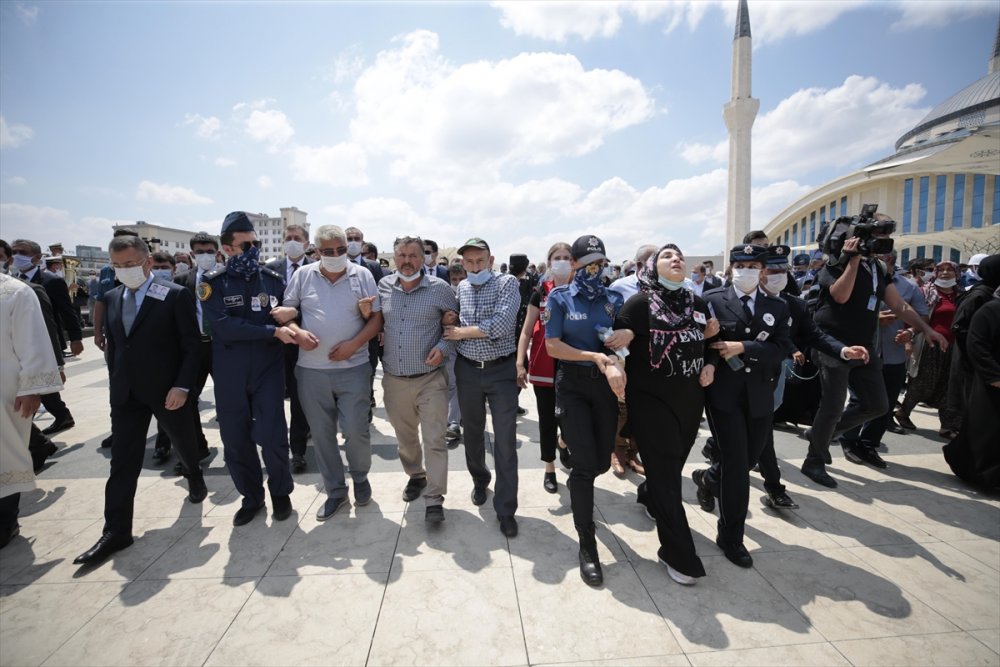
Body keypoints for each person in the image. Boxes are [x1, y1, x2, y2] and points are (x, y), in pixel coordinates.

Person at [73, 235, 208, 565]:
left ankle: (194, 474)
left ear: (147, 262)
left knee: (184, 442)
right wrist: (115, 383)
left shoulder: (174, 295)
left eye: (130, 264)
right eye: (117, 265)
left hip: (167, 390)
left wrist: (182, 386)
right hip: (126, 394)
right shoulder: (113, 297)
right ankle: (116, 530)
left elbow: (192, 346)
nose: (124, 270)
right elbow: (117, 347)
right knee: (122, 461)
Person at [802, 216, 948, 487]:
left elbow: (899, 305)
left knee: (878, 404)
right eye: (876, 237)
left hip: (865, 345)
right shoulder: (835, 262)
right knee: (833, 405)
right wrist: (852, 259)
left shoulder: (879, 268)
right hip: (833, 344)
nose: (882, 243)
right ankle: (814, 461)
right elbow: (840, 296)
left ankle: (821, 433)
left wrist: (926, 329)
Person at [614, 243, 717, 585]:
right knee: (668, 477)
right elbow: (616, 344)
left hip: (689, 402)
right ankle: (678, 555)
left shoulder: (697, 304)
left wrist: (711, 365)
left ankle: (648, 495)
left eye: (679, 255)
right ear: (652, 267)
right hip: (650, 401)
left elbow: (714, 341)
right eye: (667, 256)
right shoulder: (639, 304)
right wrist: (622, 346)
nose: (676, 259)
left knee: (669, 469)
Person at [691, 244, 792, 569]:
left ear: (762, 271)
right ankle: (731, 536)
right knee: (736, 466)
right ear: (731, 268)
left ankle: (708, 479)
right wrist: (709, 361)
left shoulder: (777, 306)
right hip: (724, 394)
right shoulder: (713, 299)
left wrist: (743, 346)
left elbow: (781, 348)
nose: (746, 271)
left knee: (747, 460)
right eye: (740, 265)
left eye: (753, 266)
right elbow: (704, 341)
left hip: (760, 394)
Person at [276, 225, 382, 520]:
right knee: (322, 435)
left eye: (341, 250)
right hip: (311, 371)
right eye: (328, 251)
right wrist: (298, 333)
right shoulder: (302, 275)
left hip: (354, 367)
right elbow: (287, 312)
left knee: (356, 430)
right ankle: (336, 491)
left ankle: (360, 478)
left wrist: (353, 345)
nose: (336, 255)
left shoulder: (362, 275)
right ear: (316, 251)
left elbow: (376, 319)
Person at [200, 212, 297, 526]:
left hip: (267, 370)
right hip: (230, 371)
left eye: (256, 244)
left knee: (272, 435)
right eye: (246, 245)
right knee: (235, 438)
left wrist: (290, 321)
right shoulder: (213, 283)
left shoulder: (273, 281)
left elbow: (287, 317)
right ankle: (252, 497)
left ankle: (280, 494)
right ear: (227, 248)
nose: (254, 250)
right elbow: (223, 327)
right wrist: (271, 332)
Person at [757, 245, 868, 509]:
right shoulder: (736, 300)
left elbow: (814, 335)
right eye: (772, 270)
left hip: (772, 374)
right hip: (739, 377)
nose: (778, 275)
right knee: (754, 431)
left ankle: (761, 481)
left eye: (783, 270)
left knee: (762, 425)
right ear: (760, 272)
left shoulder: (794, 304)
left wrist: (843, 350)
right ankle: (773, 487)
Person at [544, 235, 627, 586]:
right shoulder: (559, 297)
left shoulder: (613, 298)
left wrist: (624, 341)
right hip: (573, 384)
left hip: (604, 387)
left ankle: (566, 442)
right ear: (575, 264)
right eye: (589, 262)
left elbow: (623, 336)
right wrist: (594, 356)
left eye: (600, 262)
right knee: (583, 469)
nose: (596, 268)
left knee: (600, 462)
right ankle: (587, 543)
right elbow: (552, 346)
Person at [443, 237, 520, 538]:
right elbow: (454, 322)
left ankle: (506, 508)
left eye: (480, 261)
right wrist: (453, 325)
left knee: (505, 440)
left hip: (501, 371)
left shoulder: (506, 283)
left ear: (491, 260)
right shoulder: (461, 287)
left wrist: (460, 332)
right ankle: (479, 480)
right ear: (462, 264)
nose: (475, 267)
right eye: (469, 262)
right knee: (472, 434)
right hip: (468, 371)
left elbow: (500, 326)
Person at [379, 236, 458, 522]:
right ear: (395, 258)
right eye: (402, 255)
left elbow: (455, 325)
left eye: (414, 255)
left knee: (435, 438)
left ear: (423, 258)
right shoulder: (383, 287)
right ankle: (416, 475)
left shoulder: (440, 289)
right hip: (394, 379)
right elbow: (375, 322)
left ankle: (435, 498)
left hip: (430, 379)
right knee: (406, 437)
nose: (407, 261)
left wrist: (443, 347)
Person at [839, 250, 928, 453]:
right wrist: (874, 318)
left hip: (894, 354)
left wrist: (911, 332)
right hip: (861, 351)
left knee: (885, 402)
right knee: (860, 399)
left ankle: (869, 444)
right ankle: (848, 440)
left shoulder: (908, 286)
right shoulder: (854, 280)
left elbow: (922, 316)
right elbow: (840, 311)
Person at [0, 273, 64, 548]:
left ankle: (5, 521)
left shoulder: (14, 291)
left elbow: (34, 341)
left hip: (5, 389)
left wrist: (32, 388)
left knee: (6, 455)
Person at [515, 242, 573, 493]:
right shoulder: (540, 292)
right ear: (549, 262)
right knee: (548, 420)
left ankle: (564, 442)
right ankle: (549, 467)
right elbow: (526, 330)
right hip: (544, 365)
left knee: (572, 419)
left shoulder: (581, 291)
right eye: (557, 257)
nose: (562, 261)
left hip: (574, 365)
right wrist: (520, 362)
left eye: (567, 257)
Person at [162, 232, 219, 476]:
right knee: (187, 400)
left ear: (217, 253)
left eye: (209, 251)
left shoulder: (228, 277)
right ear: (192, 253)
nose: (205, 255)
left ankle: (238, 447)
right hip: (194, 348)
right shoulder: (181, 280)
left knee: (231, 399)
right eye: (199, 252)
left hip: (222, 347)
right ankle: (195, 449)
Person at [10, 239, 80, 436]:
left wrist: (75, 338)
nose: (16, 256)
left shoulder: (51, 281)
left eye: (22, 252)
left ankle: (34, 438)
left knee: (38, 383)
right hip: (21, 342)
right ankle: (60, 417)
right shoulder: (13, 281)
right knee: (37, 383)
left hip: (46, 340)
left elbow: (66, 311)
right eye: (13, 252)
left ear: (37, 257)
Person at [265, 223, 313, 473]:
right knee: (272, 398)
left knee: (298, 399)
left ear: (306, 243)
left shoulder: (316, 270)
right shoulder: (269, 269)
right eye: (288, 238)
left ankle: (298, 451)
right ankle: (275, 447)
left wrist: (294, 317)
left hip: (301, 343)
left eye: (297, 238)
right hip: (273, 343)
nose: (291, 241)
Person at [943, 286, 1000, 490]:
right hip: (991, 384)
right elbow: (976, 344)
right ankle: (979, 475)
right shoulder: (991, 310)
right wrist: (994, 376)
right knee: (985, 432)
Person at [894, 261, 960, 438]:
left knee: (948, 385)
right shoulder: (926, 292)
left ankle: (947, 425)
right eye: (941, 270)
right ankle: (903, 412)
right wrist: (908, 340)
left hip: (952, 347)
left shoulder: (960, 295)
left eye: (949, 270)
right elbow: (912, 316)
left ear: (957, 273)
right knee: (922, 382)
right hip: (929, 345)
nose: (945, 273)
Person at [444, 263, 466, 445]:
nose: (457, 283)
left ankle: (459, 418)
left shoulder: (472, 294)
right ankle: (453, 423)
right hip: (450, 346)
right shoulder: (445, 296)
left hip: (470, 345)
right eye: (454, 279)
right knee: (453, 384)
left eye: (461, 279)